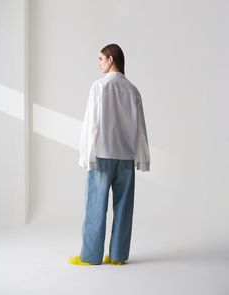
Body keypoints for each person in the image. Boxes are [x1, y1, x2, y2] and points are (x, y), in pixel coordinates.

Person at [68, 43, 150, 266]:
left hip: (103, 154)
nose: (99, 64)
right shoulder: (133, 91)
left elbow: (91, 124)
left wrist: (86, 154)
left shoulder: (99, 87)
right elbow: (140, 128)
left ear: (111, 59)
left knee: (96, 205)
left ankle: (90, 257)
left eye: (101, 59)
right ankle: (118, 256)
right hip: (126, 156)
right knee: (124, 207)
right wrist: (143, 158)